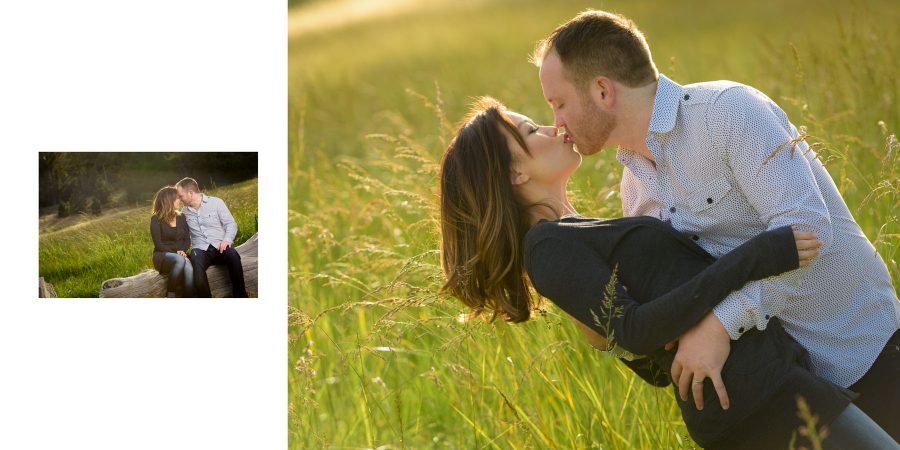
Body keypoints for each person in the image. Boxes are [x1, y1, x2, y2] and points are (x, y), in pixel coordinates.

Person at [438, 98, 898, 449]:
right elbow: (636, 331)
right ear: (515, 171)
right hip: (755, 402)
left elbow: (656, 359)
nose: (552, 125)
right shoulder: (546, 246)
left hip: (768, 381)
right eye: (530, 129)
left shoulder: (576, 232)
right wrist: (758, 256)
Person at [532, 10, 900, 439]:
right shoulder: (635, 189)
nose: (556, 122)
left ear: (601, 91)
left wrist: (723, 323)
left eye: (559, 103)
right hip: (788, 387)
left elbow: (808, 230)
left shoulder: (728, 113)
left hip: (862, 345)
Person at [174, 177, 247, 298]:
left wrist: (227, 240)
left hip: (220, 246)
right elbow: (181, 235)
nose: (179, 199)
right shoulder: (184, 212)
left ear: (191, 193)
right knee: (195, 263)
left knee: (233, 255)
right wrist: (180, 250)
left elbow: (231, 224)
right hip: (200, 250)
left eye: (181, 196)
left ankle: (241, 297)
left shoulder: (216, 202)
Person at [150, 186, 194, 298]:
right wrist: (177, 253)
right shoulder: (156, 219)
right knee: (179, 259)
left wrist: (182, 251)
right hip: (163, 256)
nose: (180, 200)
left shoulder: (181, 217)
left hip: (180, 254)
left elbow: (187, 239)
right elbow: (158, 244)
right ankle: (171, 294)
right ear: (169, 200)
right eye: (177, 198)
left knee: (189, 269)